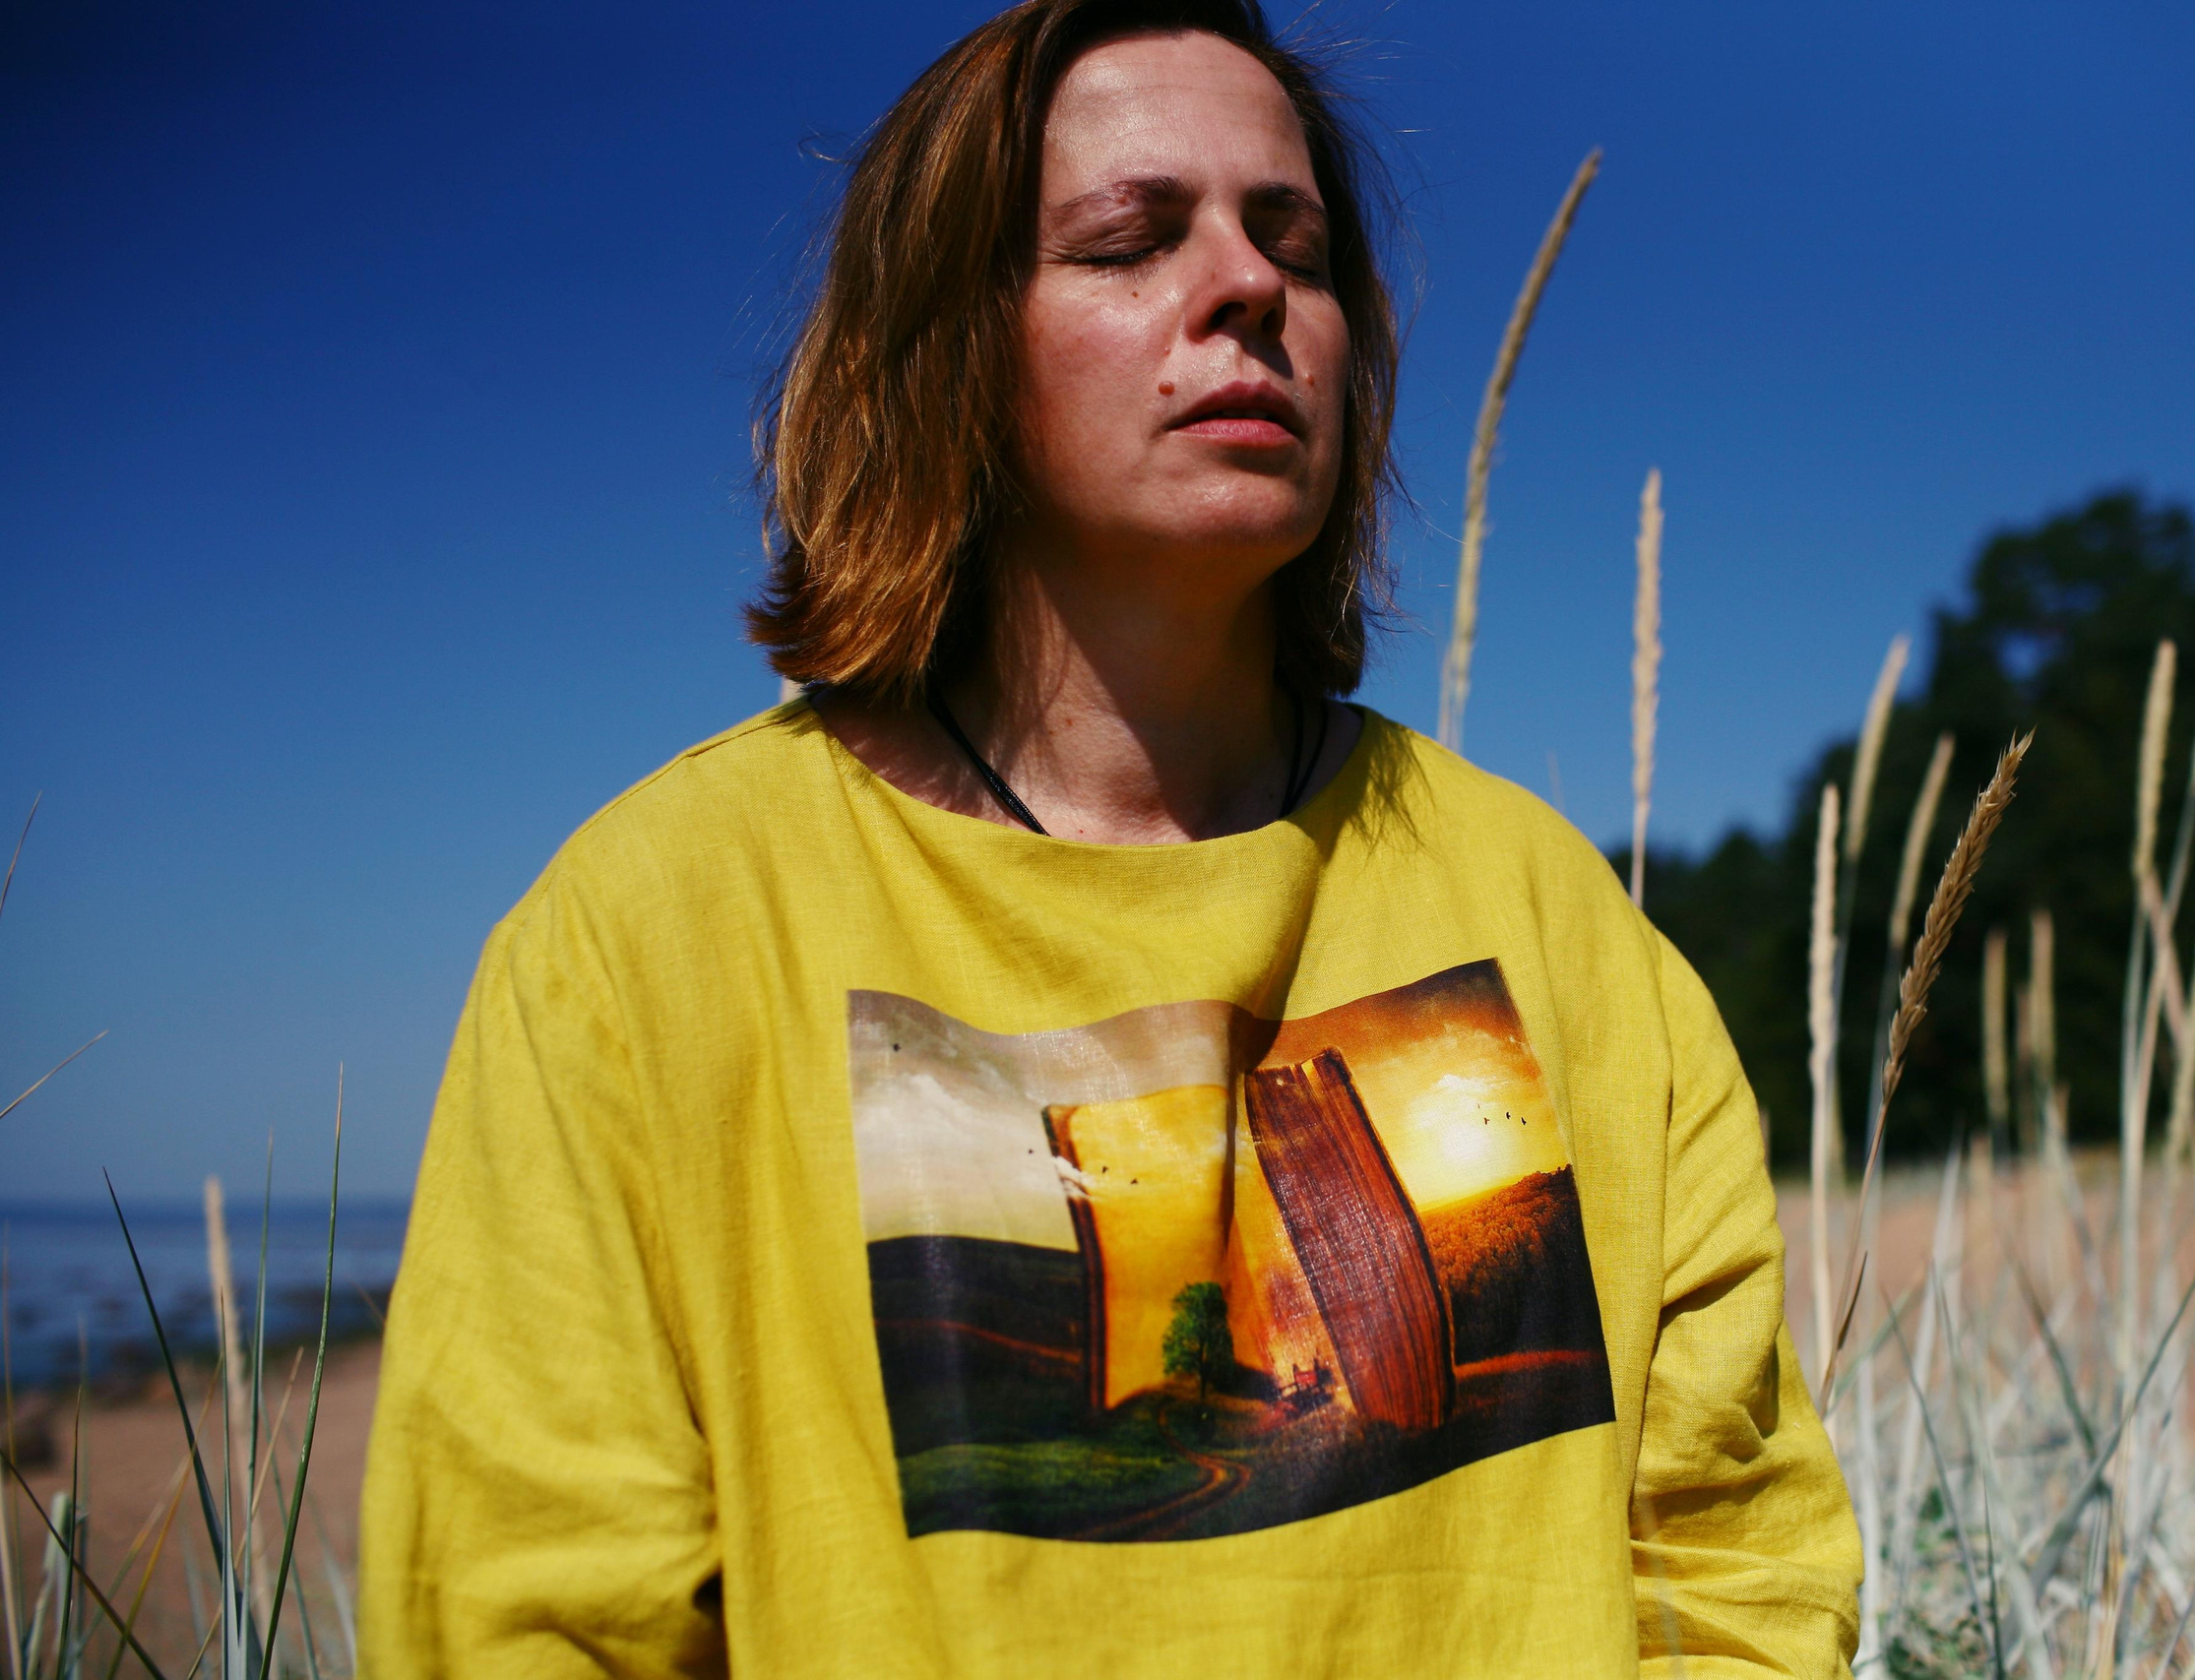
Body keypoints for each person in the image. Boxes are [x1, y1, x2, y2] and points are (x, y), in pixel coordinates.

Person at [357, 1, 1860, 1675]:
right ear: (947, 350)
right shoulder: (655, 934)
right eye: (1131, 239)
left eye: (1292, 241)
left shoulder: (1551, 919)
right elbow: (530, 1620)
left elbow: (1736, 1577)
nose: (1248, 287)